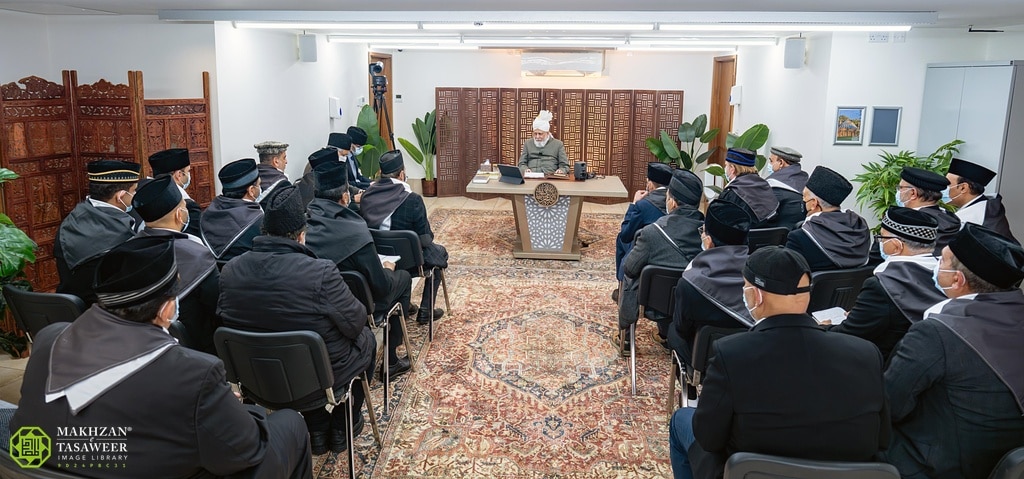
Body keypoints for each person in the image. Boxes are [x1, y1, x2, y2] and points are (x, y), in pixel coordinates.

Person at [11, 236, 311, 478]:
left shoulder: (50, 338)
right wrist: (246, 412)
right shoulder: (195, 373)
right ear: (167, 309)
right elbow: (245, 452)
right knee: (290, 424)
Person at [670, 246, 889, 479]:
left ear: (756, 295)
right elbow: (883, 438)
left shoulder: (732, 354)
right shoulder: (866, 354)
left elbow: (708, 437)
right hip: (844, 473)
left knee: (681, 420)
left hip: (751, 472)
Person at [218, 185, 375, 456]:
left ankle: (315, 428)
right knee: (368, 340)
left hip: (257, 378)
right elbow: (356, 321)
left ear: (263, 232)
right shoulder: (320, 271)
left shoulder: (230, 271)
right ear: (302, 236)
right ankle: (342, 424)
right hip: (319, 377)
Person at [882, 224, 1024, 479]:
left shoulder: (937, 333)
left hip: (937, 466)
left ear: (957, 280)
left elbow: (890, 406)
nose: (937, 265)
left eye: (943, 260)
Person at [305, 156, 413, 378]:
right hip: (362, 304)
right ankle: (391, 361)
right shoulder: (354, 230)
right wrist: (388, 268)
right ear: (345, 197)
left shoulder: (305, 227)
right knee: (402, 279)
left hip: (319, 303)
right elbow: (381, 287)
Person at [825, 207, 945, 360]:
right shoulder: (944, 277)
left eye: (882, 238)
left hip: (880, 364)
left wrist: (824, 327)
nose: (880, 242)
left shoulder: (882, 285)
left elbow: (848, 334)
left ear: (896, 246)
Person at [132, 175, 220, 354]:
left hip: (142, 345)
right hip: (195, 348)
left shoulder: (131, 247)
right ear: (180, 215)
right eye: (184, 207)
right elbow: (217, 306)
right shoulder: (197, 256)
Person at [617, 169, 704, 349]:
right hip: (691, 304)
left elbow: (630, 269)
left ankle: (625, 336)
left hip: (653, 304)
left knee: (631, 275)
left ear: (672, 202)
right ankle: (665, 334)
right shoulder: (708, 235)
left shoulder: (651, 234)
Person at [360, 150, 448, 324]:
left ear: (380, 173)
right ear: (401, 174)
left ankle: (405, 304)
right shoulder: (412, 199)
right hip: (411, 261)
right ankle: (425, 310)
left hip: (377, 259)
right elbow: (425, 240)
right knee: (440, 254)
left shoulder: (367, 196)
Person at [667, 199, 754, 365]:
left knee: (673, 331)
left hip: (705, 357)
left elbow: (681, 328)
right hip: (750, 355)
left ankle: (690, 390)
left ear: (709, 242)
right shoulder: (758, 274)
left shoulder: (691, 283)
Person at [54, 159, 141, 306]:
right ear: (120, 196)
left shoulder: (69, 222)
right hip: (106, 317)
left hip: (69, 312)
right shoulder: (122, 237)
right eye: (134, 190)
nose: (136, 194)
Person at [785, 166, 871, 271]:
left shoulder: (799, 238)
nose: (802, 200)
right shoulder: (860, 229)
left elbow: (787, 274)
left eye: (804, 196)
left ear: (813, 203)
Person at [614, 162, 673, 292]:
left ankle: (621, 287)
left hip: (647, 253)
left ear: (650, 184)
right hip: (672, 252)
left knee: (620, 238)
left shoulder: (643, 205)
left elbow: (626, 234)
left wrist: (634, 204)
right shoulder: (677, 202)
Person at [200, 158, 264, 267]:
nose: (260, 188)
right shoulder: (258, 222)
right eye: (259, 184)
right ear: (251, 191)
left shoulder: (205, 215)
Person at [944, 157, 1017, 243]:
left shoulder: (973, 219)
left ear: (963, 188)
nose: (943, 188)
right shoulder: (988, 208)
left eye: (947, 185)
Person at [896, 166, 961, 254]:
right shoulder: (950, 217)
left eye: (900, 188)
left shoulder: (910, 222)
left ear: (913, 193)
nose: (898, 192)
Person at [717, 148, 779, 228]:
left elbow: (720, 222)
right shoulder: (765, 185)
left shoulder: (731, 193)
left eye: (726, 165)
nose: (725, 168)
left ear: (732, 168)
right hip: (767, 238)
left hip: (739, 238)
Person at [148, 147, 201, 237]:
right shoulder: (188, 206)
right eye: (188, 171)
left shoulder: (145, 199)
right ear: (179, 175)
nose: (189, 175)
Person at [763, 146, 808, 230]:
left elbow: (763, 217)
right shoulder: (805, 180)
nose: (769, 164)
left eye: (771, 161)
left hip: (776, 237)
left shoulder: (775, 186)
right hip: (798, 233)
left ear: (781, 162)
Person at [518, 110, 568, 175]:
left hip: (550, 177)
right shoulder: (528, 143)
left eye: (540, 134)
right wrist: (525, 169)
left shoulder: (558, 144)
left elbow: (565, 166)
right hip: (531, 177)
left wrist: (561, 170)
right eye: (535, 134)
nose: (537, 137)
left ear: (547, 133)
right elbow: (521, 163)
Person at [254, 140, 291, 205]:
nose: (286, 161)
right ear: (276, 161)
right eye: (284, 158)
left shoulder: (251, 179)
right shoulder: (282, 184)